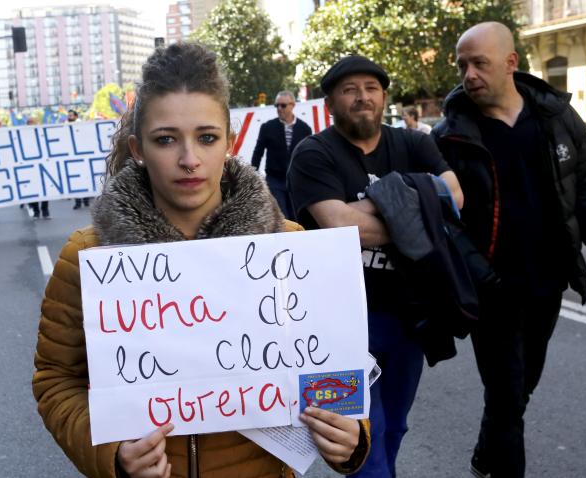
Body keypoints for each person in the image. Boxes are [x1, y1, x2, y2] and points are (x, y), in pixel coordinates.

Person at [32, 42, 371, 478]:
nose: (189, 159)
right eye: (166, 139)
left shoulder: (290, 248)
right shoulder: (89, 255)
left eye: (206, 138)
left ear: (229, 142)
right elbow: (57, 380)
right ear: (138, 148)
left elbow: (333, 366)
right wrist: (113, 454)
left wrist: (351, 432)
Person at [432, 22, 586, 478]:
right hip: (489, 290)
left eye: (480, 63)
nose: (468, 74)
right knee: (508, 395)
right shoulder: (448, 136)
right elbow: (443, 222)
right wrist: (477, 274)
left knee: (519, 388)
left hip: (546, 283)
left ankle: (484, 456)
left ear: (511, 63)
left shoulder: (557, 119)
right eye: (462, 65)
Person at [288, 55, 464, 478]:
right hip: (334, 324)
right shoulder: (312, 153)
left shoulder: (414, 143)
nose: (362, 97)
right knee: (357, 434)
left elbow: (455, 198)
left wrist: (375, 208)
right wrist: (417, 202)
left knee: (394, 426)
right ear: (330, 102)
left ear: (384, 96)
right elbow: (338, 224)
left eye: (370, 87)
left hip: (410, 317)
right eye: (349, 90)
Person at [250, 91, 312, 220]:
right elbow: (258, 153)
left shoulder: (304, 128)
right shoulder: (267, 127)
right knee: (281, 217)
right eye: (276, 105)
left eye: (283, 105)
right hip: (275, 180)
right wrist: (252, 177)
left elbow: (308, 157)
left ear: (292, 105)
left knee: (297, 217)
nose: (279, 109)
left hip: (297, 180)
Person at [69, 109, 93, 210]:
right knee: (75, 182)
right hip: (72, 158)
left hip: (82, 157)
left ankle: (85, 200)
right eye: (68, 115)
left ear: (75, 116)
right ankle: (78, 202)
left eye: (71, 115)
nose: (69, 117)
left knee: (84, 179)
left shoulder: (80, 125)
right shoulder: (66, 125)